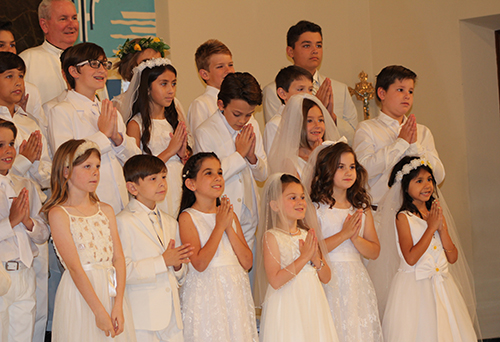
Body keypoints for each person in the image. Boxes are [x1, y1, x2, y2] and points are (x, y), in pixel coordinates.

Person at [41, 139, 136, 341]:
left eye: (98, 167)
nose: (95, 172)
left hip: (110, 292)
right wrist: (98, 311)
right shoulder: (59, 214)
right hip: (80, 296)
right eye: (87, 166)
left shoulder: (106, 210)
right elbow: (75, 267)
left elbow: (117, 259)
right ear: (66, 171)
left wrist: (117, 302)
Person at [381, 156, 477, 341]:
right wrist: (431, 228)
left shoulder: (435, 212)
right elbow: (410, 257)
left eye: (429, 179)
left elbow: (452, 256)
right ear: (406, 187)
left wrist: (441, 230)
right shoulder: (403, 217)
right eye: (419, 181)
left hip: (441, 284)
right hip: (415, 287)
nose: (427, 185)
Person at [48, 42, 141, 214]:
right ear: (73, 71)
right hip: (86, 205)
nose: (102, 70)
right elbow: (66, 161)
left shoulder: (109, 110)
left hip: (121, 202)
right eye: (94, 64)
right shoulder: (61, 111)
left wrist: (118, 140)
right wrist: (103, 135)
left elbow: (135, 159)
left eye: (104, 64)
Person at [0, 52, 53, 342]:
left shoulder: (29, 121)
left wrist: (34, 167)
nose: (18, 82)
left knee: (35, 308)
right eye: (9, 76)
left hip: (30, 216)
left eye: (20, 75)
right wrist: (21, 161)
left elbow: (44, 169)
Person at [307, 142, 383, 341]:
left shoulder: (361, 207)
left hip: (357, 280)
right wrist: (344, 234)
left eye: (352, 167)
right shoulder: (316, 208)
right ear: (327, 169)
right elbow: (313, 249)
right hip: (328, 277)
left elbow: (374, 251)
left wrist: (355, 238)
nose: (348, 172)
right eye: (341, 167)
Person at [177, 152, 257, 341]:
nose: (217, 178)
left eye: (219, 172)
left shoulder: (229, 215)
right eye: (209, 173)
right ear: (191, 184)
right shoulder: (188, 217)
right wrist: (219, 226)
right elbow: (200, 263)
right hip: (206, 294)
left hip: (235, 292)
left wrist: (228, 227)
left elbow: (247, 262)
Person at [117, 154, 193, 342]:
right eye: (153, 178)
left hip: (172, 319)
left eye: (164, 177)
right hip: (143, 319)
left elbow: (181, 273)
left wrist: (177, 267)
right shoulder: (122, 221)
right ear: (132, 187)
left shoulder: (169, 221)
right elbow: (122, 271)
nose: (162, 183)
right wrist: (163, 261)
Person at [254, 173, 338, 342]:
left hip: (311, 300)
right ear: (275, 205)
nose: (300, 202)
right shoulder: (272, 236)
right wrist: (303, 257)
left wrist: (316, 261)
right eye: (293, 198)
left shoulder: (307, 234)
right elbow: (275, 280)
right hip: (287, 303)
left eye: (302, 197)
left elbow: (327, 277)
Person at [194, 72, 267, 249]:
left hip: (249, 216)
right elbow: (208, 179)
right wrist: (239, 155)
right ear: (221, 105)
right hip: (221, 215)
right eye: (237, 114)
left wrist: (251, 157)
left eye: (249, 115)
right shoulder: (206, 132)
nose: (243, 120)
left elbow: (263, 174)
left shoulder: (253, 125)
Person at [262, 20, 358, 143]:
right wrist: (313, 109)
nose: (315, 50)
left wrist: (330, 117)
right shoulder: (273, 90)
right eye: (307, 46)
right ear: (290, 51)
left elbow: (354, 138)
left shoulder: (340, 89)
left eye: (319, 45)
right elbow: (279, 142)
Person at [123, 58, 189, 217]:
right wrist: (169, 151)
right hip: (156, 191)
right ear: (147, 88)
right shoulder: (136, 125)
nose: (171, 90)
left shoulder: (174, 121)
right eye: (163, 84)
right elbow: (137, 171)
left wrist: (183, 156)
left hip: (179, 185)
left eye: (173, 83)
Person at [20, 0, 107, 106]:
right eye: (63, 19)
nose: (72, 25)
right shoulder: (28, 60)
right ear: (44, 25)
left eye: (74, 18)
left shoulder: (91, 62)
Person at [111, 36, 184, 124]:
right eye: (147, 62)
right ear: (132, 67)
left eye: (158, 62)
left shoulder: (172, 103)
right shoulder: (120, 104)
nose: (154, 68)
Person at [268, 93, 339, 178]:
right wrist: (315, 160)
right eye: (309, 121)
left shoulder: (330, 155)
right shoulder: (290, 163)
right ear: (297, 125)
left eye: (320, 120)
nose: (317, 125)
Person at [0, 20, 48, 137]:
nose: (9, 50)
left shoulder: (29, 90)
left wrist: (22, 114)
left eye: (12, 45)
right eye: (1, 45)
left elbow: (43, 133)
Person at [263, 65, 313, 155]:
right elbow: (274, 162)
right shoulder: (275, 125)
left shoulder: (311, 121)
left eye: (310, 90)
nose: (308, 95)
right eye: (300, 89)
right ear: (282, 93)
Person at [187, 39, 234, 132]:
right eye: (220, 66)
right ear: (205, 74)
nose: (228, 71)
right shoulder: (201, 105)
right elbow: (200, 140)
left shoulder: (237, 100)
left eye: (230, 65)